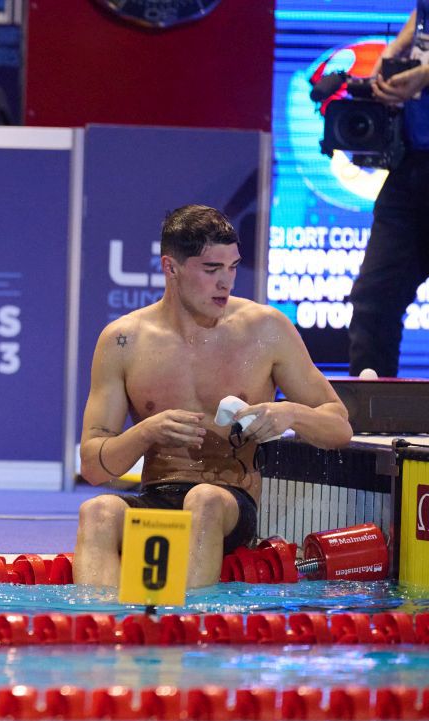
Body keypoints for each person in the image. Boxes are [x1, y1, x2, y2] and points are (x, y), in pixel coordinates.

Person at [74, 205, 352, 588]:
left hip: (228, 504)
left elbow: (340, 426)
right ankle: (99, 632)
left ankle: (195, 635)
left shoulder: (266, 329)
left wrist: (290, 414)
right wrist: (146, 432)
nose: (227, 282)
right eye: (212, 270)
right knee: (98, 510)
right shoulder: (124, 341)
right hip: (157, 495)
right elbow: (93, 467)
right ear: (171, 268)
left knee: (203, 500)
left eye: (233, 267)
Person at [347, 3, 429, 377]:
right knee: (374, 298)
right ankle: (371, 420)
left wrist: (424, 74)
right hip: (412, 164)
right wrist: (394, 51)